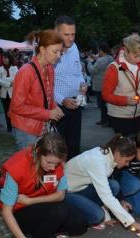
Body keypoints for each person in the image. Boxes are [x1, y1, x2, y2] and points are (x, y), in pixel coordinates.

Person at [0, 133, 88, 238]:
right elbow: (6, 212)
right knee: (59, 210)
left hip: (36, 204)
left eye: (56, 163)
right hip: (19, 213)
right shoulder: (17, 167)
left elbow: (61, 195)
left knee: (79, 224)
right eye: (49, 162)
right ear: (38, 153)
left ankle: (41, 234)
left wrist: (30, 201)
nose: (52, 167)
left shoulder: (57, 163)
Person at [64, 134, 140, 236]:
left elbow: (104, 189)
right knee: (98, 216)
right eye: (127, 161)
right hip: (66, 193)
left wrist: (120, 203)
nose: (127, 164)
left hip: (81, 189)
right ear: (118, 153)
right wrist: (133, 223)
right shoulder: (97, 162)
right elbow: (106, 196)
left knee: (113, 185)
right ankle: (66, 223)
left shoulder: (108, 156)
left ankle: (89, 209)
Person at [9, 30, 65, 150]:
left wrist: (54, 106)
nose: (59, 55)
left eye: (60, 52)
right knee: (30, 165)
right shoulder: (25, 72)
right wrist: (48, 113)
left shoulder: (49, 68)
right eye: (55, 51)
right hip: (26, 129)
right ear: (43, 49)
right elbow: (16, 106)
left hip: (42, 126)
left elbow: (47, 96)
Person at [102, 34, 140, 137]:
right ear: (126, 51)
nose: (139, 59)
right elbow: (106, 94)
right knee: (126, 149)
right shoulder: (114, 68)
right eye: (135, 56)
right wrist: (125, 100)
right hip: (120, 116)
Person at [54, 16, 86, 160]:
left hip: (75, 103)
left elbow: (77, 71)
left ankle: (72, 179)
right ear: (56, 32)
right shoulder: (47, 50)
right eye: (66, 34)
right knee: (56, 148)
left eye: (73, 34)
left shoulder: (74, 47)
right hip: (56, 107)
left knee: (74, 146)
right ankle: (58, 180)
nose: (71, 38)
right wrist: (62, 100)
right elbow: (44, 84)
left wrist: (82, 84)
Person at [88, 43, 114, 126]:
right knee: (106, 104)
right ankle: (105, 120)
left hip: (100, 85)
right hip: (109, 83)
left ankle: (106, 121)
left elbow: (92, 70)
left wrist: (89, 62)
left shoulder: (100, 60)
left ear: (101, 50)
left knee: (102, 104)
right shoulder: (111, 58)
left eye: (99, 50)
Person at [0, 52, 18, 132]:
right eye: (3, 58)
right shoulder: (0, 68)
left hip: (13, 93)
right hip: (4, 93)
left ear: (9, 58)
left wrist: (4, 79)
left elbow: (16, 79)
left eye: (6, 58)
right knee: (6, 110)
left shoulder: (14, 68)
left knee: (14, 110)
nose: (4, 60)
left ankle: (15, 124)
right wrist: (8, 83)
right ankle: (9, 126)